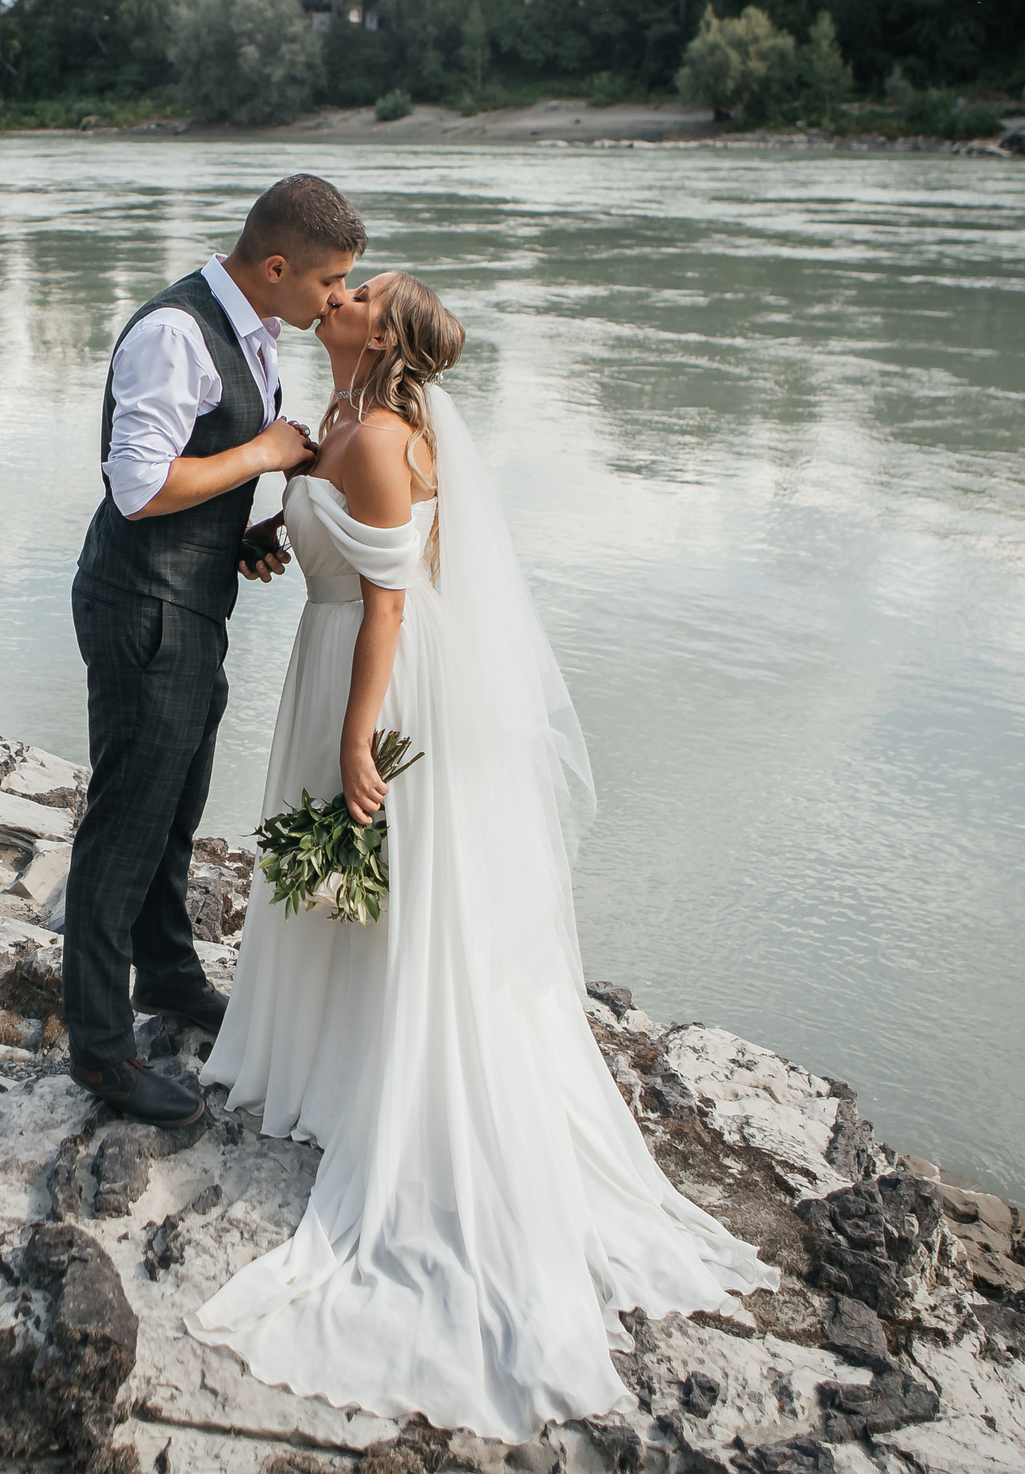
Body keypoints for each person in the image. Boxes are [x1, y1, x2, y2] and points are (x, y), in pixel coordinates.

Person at [191, 271, 780, 1440]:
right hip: (333, 653)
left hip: (373, 677)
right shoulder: (343, 425)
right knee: (342, 880)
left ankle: (372, 1074)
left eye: (358, 293)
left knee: (374, 867)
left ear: (384, 337)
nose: (339, 295)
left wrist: (359, 735)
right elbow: (337, 545)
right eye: (342, 282)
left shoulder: (381, 437)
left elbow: (391, 605)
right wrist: (276, 526)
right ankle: (326, 1058)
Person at [63, 174, 367, 1127]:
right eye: (332, 283)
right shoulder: (175, 333)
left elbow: (197, 477)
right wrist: (265, 457)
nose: (336, 302)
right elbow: (137, 486)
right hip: (142, 608)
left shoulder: (254, 331)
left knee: (176, 806)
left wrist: (239, 536)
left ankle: (168, 975)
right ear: (277, 267)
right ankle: (102, 1053)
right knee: (125, 823)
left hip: (191, 601)